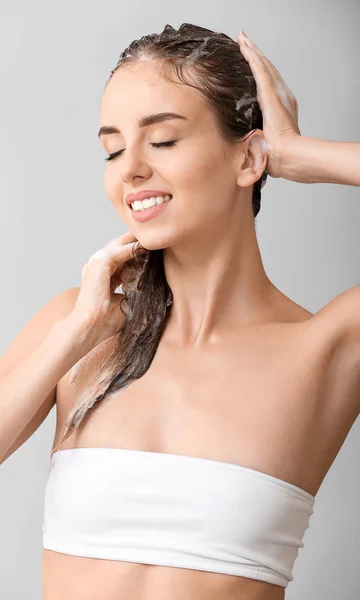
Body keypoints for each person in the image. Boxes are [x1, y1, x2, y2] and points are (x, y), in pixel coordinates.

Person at [0, 23, 359, 600]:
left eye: (162, 141)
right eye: (113, 149)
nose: (130, 169)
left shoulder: (328, 345)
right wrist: (74, 336)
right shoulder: (77, 328)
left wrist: (301, 154)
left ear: (247, 159)